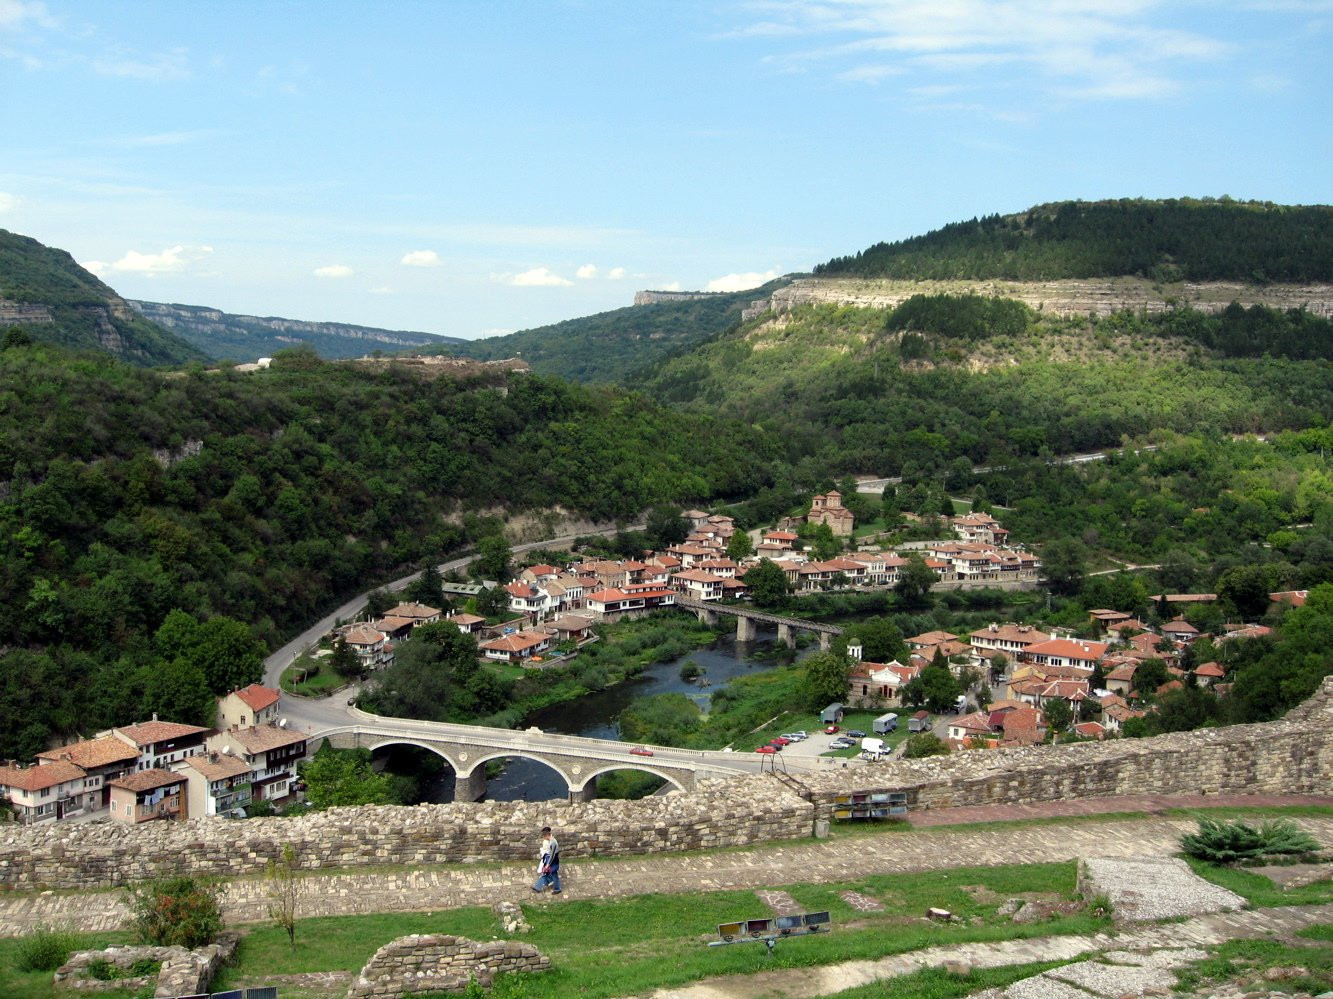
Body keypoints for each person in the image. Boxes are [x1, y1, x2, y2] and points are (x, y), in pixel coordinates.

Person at [532, 826, 561, 895]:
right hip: (550, 860)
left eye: (544, 836)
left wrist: (548, 864)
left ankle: (557, 889)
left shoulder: (553, 843)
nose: (544, 838)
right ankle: (537, 887)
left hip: (553, 861)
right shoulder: (551, 841)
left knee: (551, 874)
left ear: (546, 836)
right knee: (548, 874)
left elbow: (552, 855)